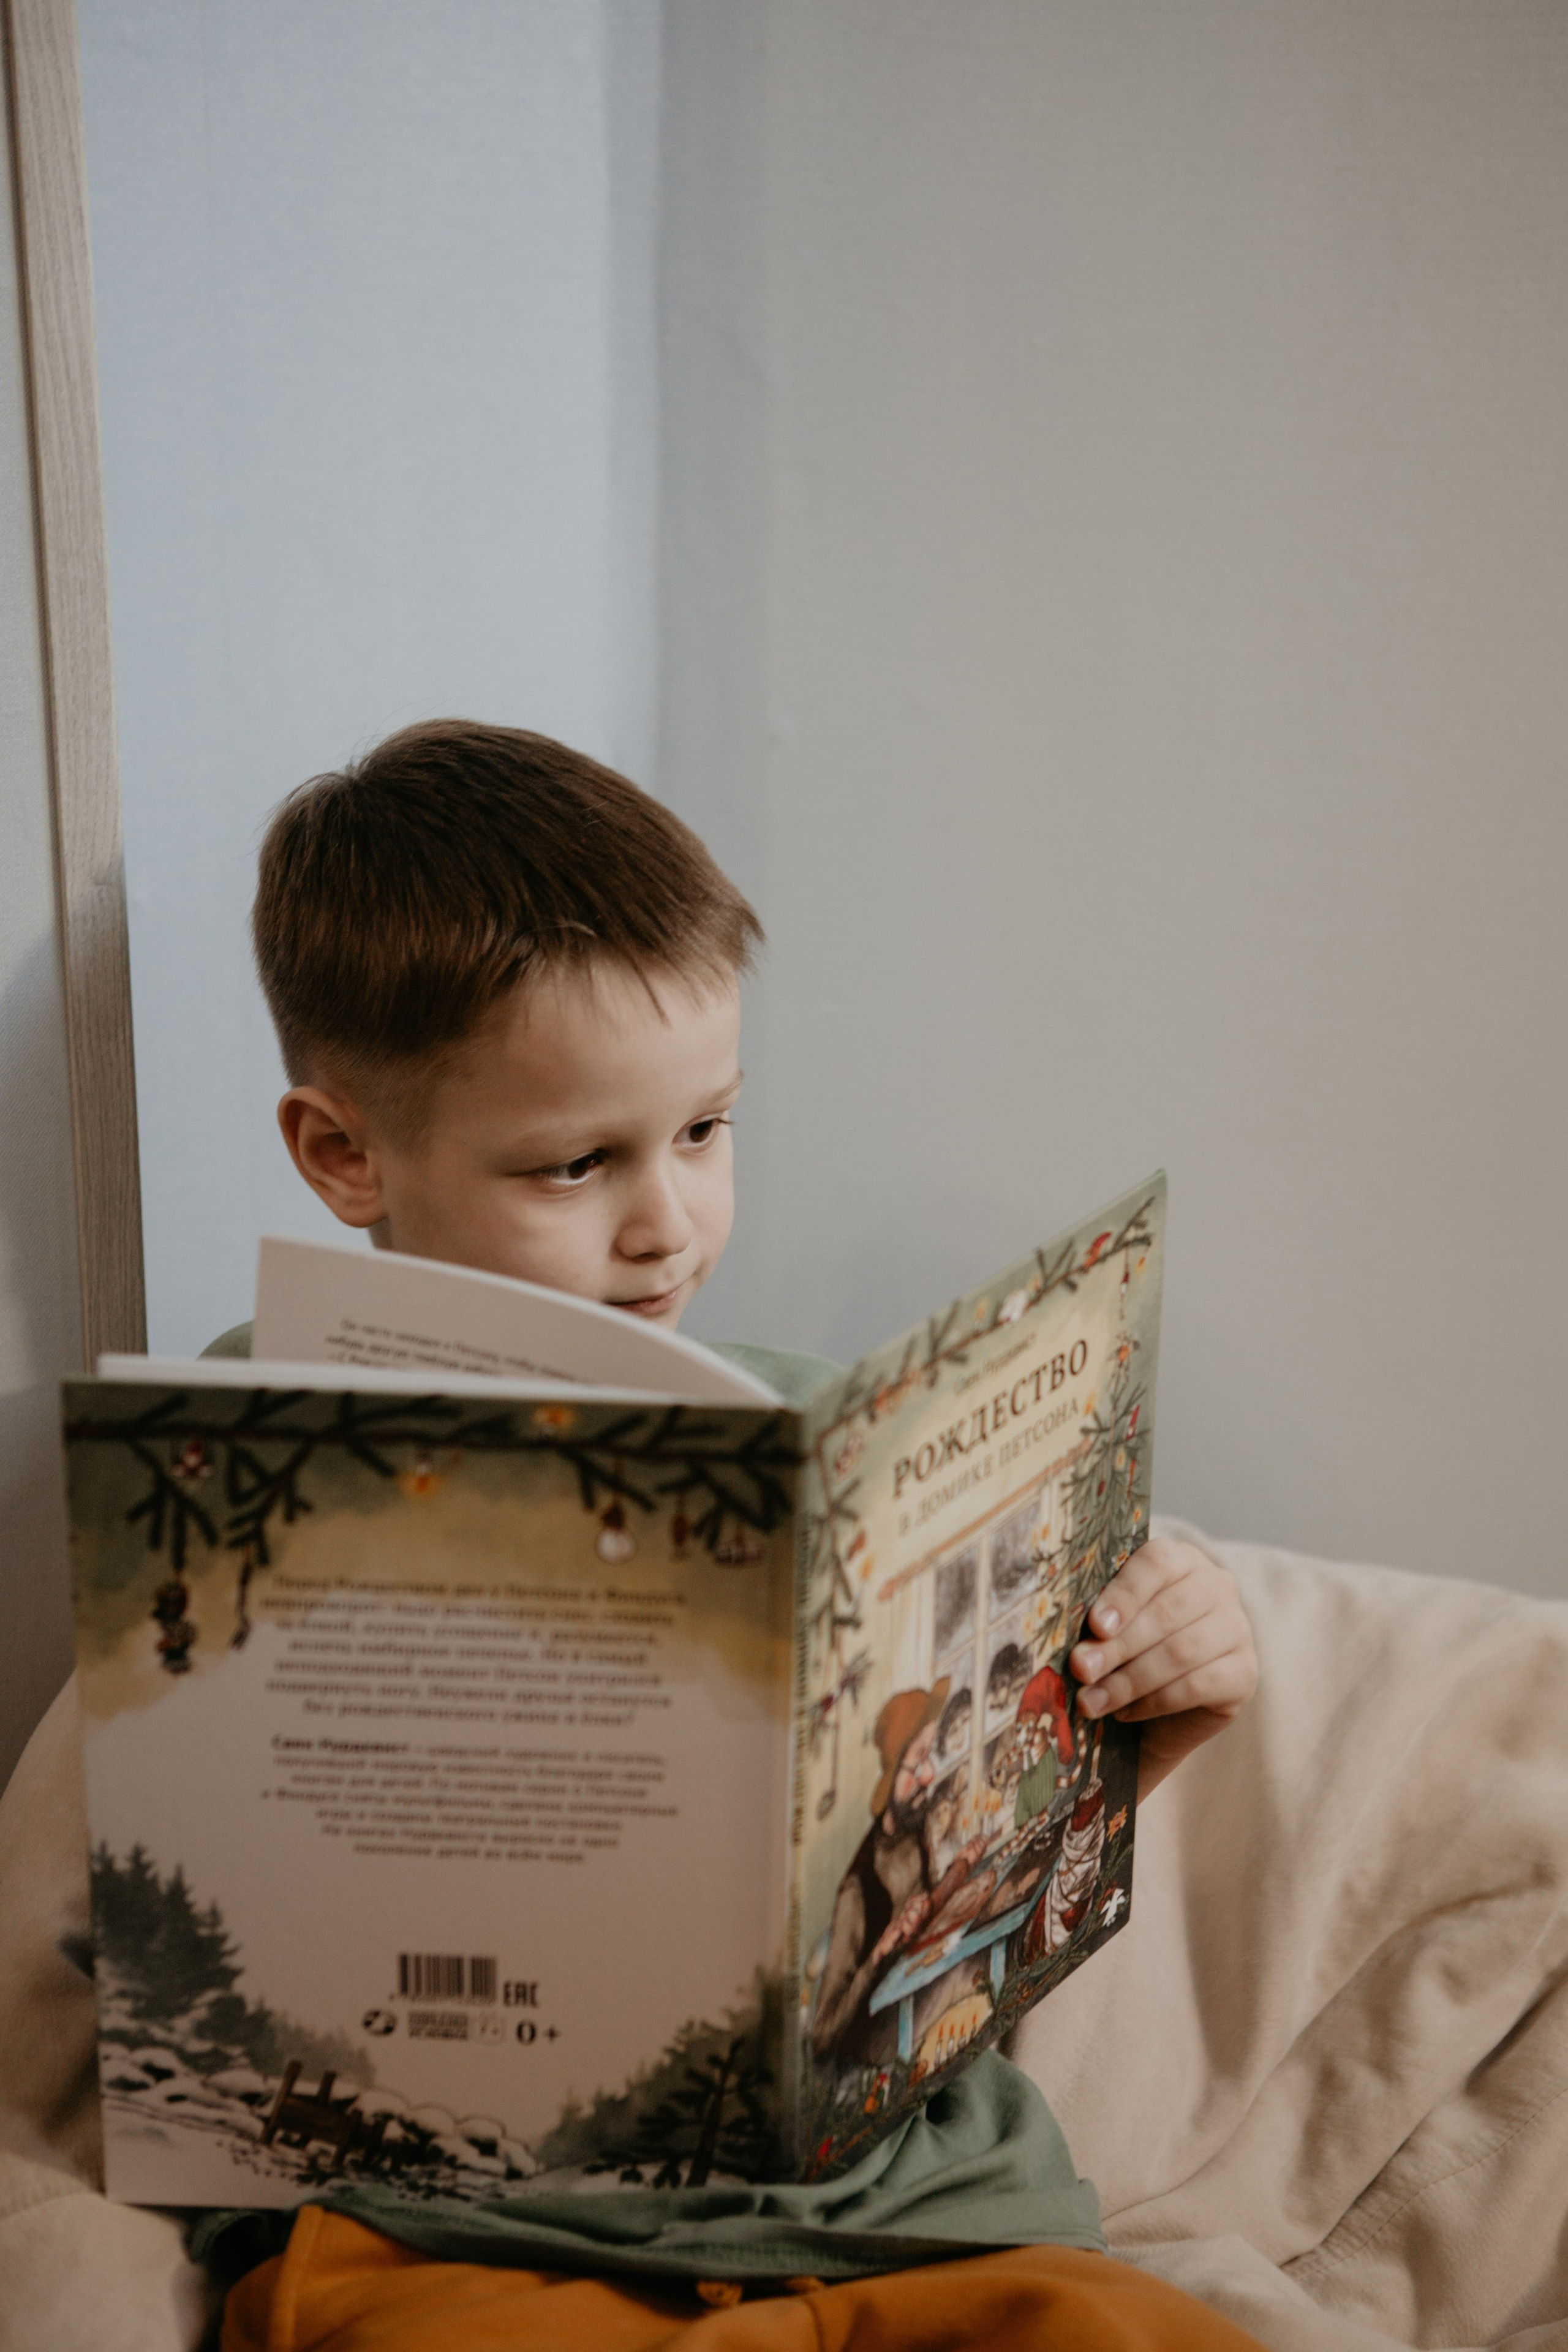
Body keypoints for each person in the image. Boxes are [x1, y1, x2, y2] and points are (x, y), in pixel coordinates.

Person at [0, 718, 1260, 2345]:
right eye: (578, 1162)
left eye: (704, 1131)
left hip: (910, 2224)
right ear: (344, 1152)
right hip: (448, 2235)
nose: (668, 1220)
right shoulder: (252, 1439)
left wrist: (1145, 1699)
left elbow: (957, 1864)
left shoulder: (822, 1435)